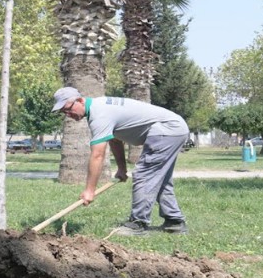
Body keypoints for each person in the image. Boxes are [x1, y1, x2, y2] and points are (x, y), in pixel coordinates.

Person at [52, 87, 190, 236]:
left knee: (144, 174)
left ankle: (137, 224)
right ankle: (174, 222)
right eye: (63, 113)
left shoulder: (99, 114)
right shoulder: (99, 107)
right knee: (159, 178)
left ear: (79, 100)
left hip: (167, 129)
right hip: (174, 128)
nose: (68, 115)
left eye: (68, 109)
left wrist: (90, 190)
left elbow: (97, 155)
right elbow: (116, 140)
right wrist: (121, 169)